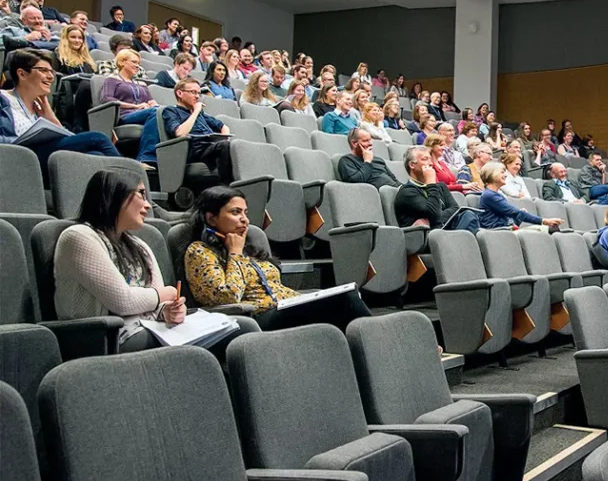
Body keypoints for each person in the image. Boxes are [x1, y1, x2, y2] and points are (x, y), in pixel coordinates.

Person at [53, 170, 257, 354]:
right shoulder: (79, 237)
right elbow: (123, 301)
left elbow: (160, 303)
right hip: (107, 338)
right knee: (232, 336)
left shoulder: (139, 245)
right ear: (116, 194)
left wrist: (169, 310)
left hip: (151, 329)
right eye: (141, 193)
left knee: (242, 327)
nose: (148, 204)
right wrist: (163, 295)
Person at [184, 186, 372, 331]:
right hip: (257, 316)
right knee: (345, 301)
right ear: (211, 219)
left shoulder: (249, 247)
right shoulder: (199, 251)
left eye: (245, 212)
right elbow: (226, 297)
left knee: (347, 295)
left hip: (285, 306)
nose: (245, 219)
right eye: (235, 212)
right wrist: (234, 254)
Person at [1, 49, 119, 168]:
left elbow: (67, 138)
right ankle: (134, 179)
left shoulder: (39, 108)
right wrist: (18, 141)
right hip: (17, 158)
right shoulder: (3, 99)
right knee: (98, 138)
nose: (51, 77)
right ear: (22, 74)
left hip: (45, 159)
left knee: (95, 155)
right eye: (43, 70)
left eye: (51, 71)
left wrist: (51, 117)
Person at [161, 78, 233, 183]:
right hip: (194, 149)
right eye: (193, 92)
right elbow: (179, 133)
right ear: (180, 93)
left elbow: (223, 126)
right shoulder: (171, 111)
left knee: (234, 146)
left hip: (210, 147)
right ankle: (226, 186)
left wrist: (224, 138)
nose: (197, 96)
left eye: (199, 93)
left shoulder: (200, 113)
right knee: (224, 146)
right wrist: (195, 112)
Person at [394, 145, 478, 232]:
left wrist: (435, 218)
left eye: (430, 159)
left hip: (444, 230)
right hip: (427, 238)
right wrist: (430, 182)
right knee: (468, 219)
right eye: (425, 159)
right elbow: (432, 211)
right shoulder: (407, 192)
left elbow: (454, 208)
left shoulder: (440, 186)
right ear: (412, 165)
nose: (430, 163)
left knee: (468, 216)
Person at [478, 162, 560, 231]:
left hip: (505, 231)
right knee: (548, 229)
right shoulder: (489, 195)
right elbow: (515, 213)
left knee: (551, 229)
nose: (506, 175)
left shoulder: (495, 194)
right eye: (502, 172)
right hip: (498, 233)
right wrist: (544, 221)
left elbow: (511, 217)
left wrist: (519, 218)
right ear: (491, 174)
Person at [54, 24, 97, 131]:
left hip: (87, 91)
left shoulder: (87, 60)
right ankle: (78, 124)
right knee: (86, 84)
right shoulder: (59, 56)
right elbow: (56, 76)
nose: (77, 41)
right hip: (69, 88)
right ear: (66, 38)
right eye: (73, 37)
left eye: (80, 38)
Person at [99, 49, 160, 125]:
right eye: (134, 62)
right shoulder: (112, 79)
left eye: (138, 63)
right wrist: (136, 106)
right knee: (154, 112)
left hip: (143, 113)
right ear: (122, 62)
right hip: (124, 115)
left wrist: (161, 108)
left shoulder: (142, 84)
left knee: (166, 112)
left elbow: (151, 102)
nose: (137, 66)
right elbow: (106, 99)